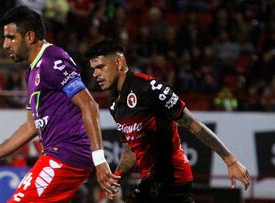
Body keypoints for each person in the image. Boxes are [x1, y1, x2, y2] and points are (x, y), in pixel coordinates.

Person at [0, 6, 120, 202]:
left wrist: (100, 160)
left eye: (11, 37)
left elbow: (89, 105)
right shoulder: (32, 71)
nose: (4, 44)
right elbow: (31, 126)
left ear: (29, 37)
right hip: (57, 154)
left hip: (67, 154)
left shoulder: (52, 60)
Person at [85, 39, 250, 203]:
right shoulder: (114, 103)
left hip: (172, 177)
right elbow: (130, 153)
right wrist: (115, 179)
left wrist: (231, 161)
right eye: (93, 69)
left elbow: (192, 124)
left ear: (119, 62)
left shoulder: (149, 88)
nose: (95, 74)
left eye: (100, 67)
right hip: (153, 181)